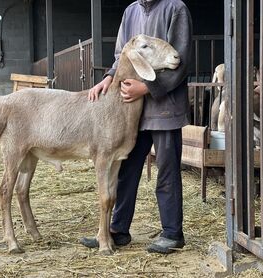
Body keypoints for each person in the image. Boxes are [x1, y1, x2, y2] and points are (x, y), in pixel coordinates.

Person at [80, 0, 193, 254]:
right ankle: (118, 229)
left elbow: (181, 60)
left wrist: (147, 88)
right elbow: (122, 55)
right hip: (131, 112)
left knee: (167, 169)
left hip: (165, 107)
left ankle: (172, 233)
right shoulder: (131, 11)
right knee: (125, 170)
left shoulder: (175, 9)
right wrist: (108, 79)